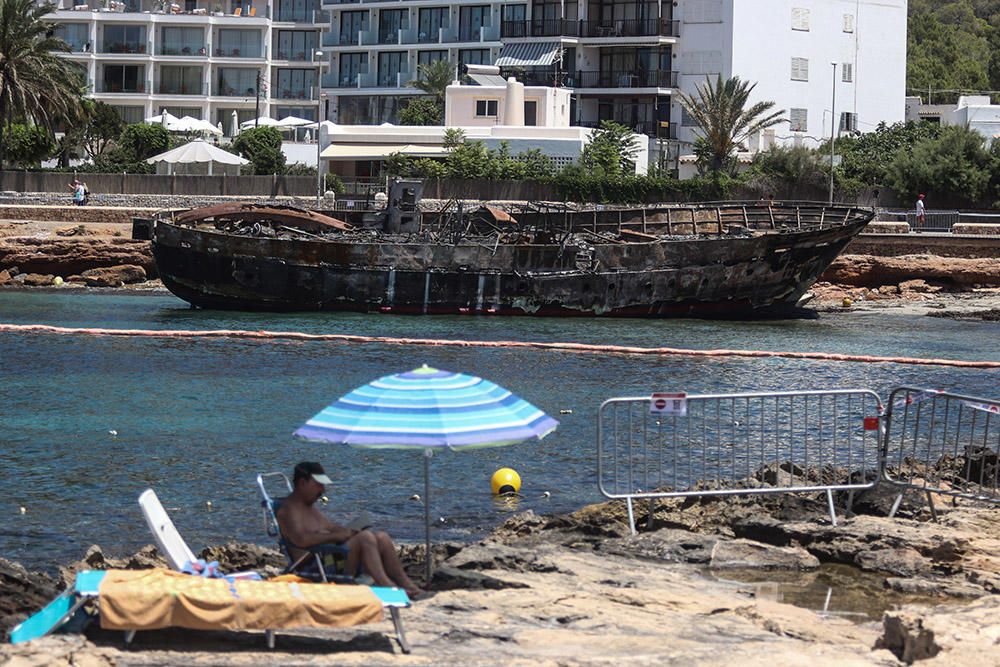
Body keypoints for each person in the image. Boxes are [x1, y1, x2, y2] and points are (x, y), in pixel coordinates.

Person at [276, 462, 425, 597]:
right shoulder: (288, 509)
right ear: (303, 483)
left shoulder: (309, 508)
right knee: (365, 538)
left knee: (381, 537)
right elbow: (302, 540)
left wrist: (350, 531)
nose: (323, 490)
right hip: (312, 568)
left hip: (328, 558)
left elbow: (331, 527)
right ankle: (387, 586)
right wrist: (335, 536)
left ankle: (406, 584)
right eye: (318, 485)